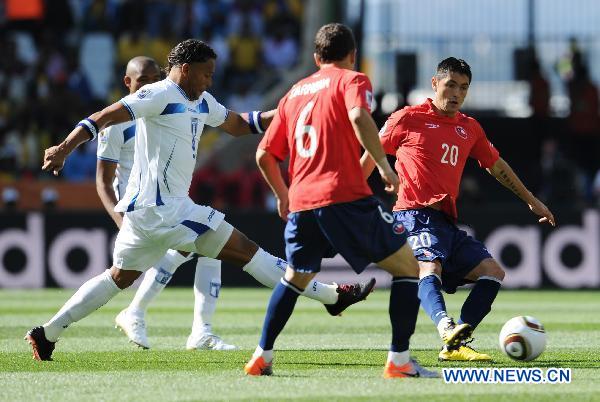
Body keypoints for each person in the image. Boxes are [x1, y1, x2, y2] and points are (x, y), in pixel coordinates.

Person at [25, 39, 375, 361]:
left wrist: (289, 110)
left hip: (147, 215)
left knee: (118, 277)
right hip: (164, 209)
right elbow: (100, 118)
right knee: (246, 251)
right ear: (187, 69)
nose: (209, 81)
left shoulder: (201, 101)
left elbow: (241, 124)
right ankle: (331, 296)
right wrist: (63, 148)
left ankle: (48, 333)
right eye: (206, 74)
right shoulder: (158, 95)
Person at [245, 23, 438, 379]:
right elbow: (357, 115)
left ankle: (261, 357)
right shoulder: (352, 80)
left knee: (296, 277)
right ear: (352, 54)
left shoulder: (295, 92)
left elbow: (263, 155)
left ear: (317, 58)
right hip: (343, 196)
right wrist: (384, 165)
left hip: (303, 201)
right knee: (410, 268)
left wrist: (283, 196)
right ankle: (399, 361)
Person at [361, 57, 556, 362]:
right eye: (450, 84)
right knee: (429, 267)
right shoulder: (407, 118)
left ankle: (456, 343)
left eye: (463, 88)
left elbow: (496, 165)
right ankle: (445, 327)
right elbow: (372, 150)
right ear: (434, 83)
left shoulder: (469, 128)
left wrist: (531, 200)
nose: (456, 93)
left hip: (446, 221)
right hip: (413, 214)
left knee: (492, 272)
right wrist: (352, 194)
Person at [96, 55, 235, 350]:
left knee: (208, 246)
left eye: (153, 79)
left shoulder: (167, 107)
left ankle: (196, 329)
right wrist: (121, 222)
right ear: (127, 82)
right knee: (195, 247)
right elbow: (104, 181)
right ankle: (151, 317)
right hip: (140, 210)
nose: (149, 85)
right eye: (142, 81)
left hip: (169, 202)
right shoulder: (115, 124)